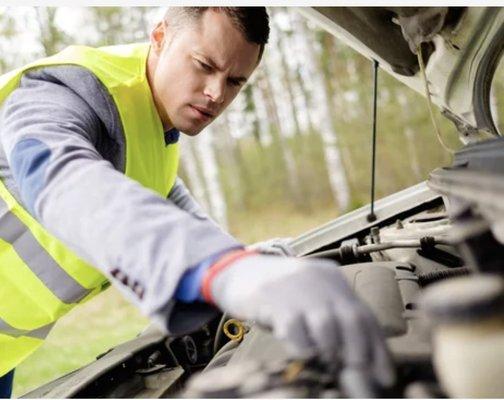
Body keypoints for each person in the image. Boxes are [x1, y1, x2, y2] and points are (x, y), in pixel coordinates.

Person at [0, 7, 393, 398]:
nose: (216, 93)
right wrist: (221, 268)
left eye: (235, 81)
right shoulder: (68, 90)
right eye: (204, 65)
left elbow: (163, 202)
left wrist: (244, 259)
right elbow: (59, 175)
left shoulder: (154, 131)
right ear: (160, 36)